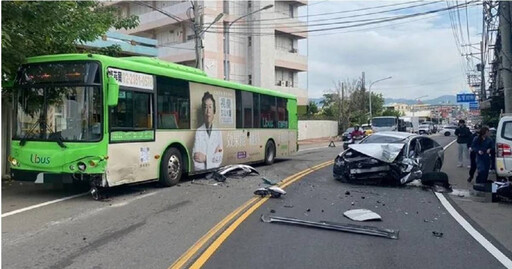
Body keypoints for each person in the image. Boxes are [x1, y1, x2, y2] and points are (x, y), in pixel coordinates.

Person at [192, 92, 223, 171]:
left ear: (214, 111)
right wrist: (212, 157)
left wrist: (205, 158)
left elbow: (219, 156)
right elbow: (196, 159)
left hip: (214, 173)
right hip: (201, 174)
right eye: (205, 107)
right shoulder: (198, 132)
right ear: (203, 111)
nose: (208, 111)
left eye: (210, 107)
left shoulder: (218, 132)